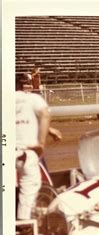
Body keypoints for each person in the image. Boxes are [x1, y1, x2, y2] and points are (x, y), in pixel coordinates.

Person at [16, 73, 51, 220]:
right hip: (26, 151)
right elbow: (44, 115)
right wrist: (41, 144)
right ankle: (24, 227)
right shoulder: (32, 99)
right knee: (31, 190)